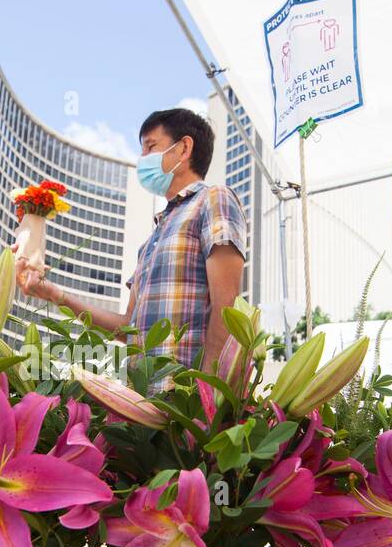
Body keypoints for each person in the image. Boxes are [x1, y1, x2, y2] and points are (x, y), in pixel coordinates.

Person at [18, 107, 247, 373]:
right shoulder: (151, 241)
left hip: (186, 399)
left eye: (151, 146)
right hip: (143, 396)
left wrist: (208, 395)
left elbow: (226, 306)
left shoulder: (214, 199)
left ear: (184, 148)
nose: (143, 158)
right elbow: (128, 327)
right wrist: (56, 295)